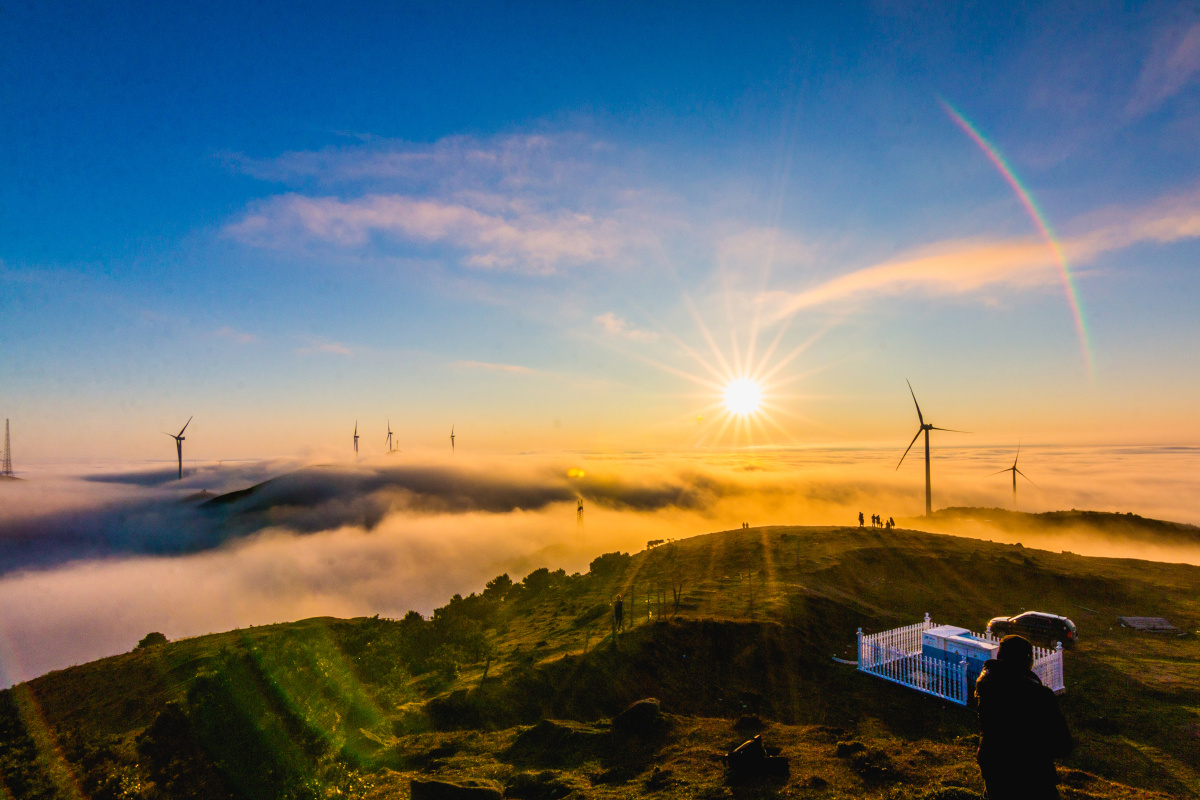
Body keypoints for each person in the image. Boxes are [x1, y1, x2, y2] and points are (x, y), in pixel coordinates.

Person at [975, 635, 1072, 799]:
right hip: (1033, 778)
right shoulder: (1040, 695)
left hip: (994, 768)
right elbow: (1063, 745)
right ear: (1027, 661)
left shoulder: (985, 684)